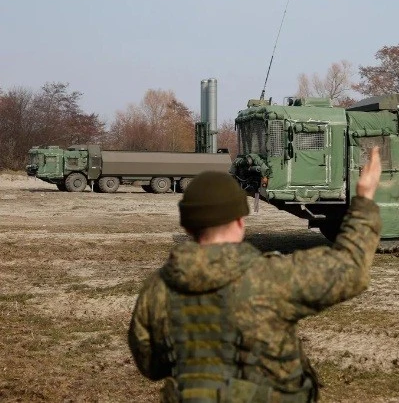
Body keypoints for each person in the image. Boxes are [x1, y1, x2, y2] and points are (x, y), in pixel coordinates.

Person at [128, 147, 383, 402]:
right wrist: (364, 198)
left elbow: (151, 366)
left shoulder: (157, 289)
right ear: (240, 221)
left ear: (187, 226)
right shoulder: (272, 277)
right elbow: (351, 267)